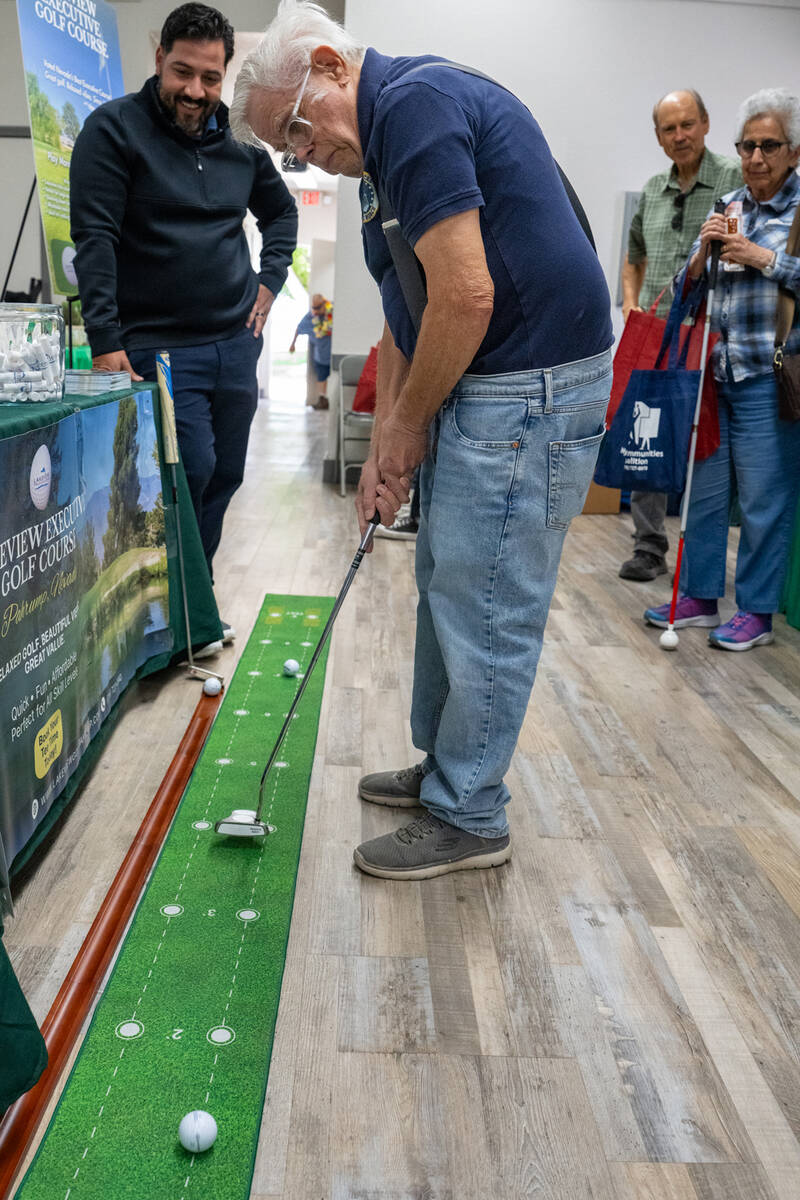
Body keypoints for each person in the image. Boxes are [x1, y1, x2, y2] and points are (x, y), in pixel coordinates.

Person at [231, 0, 613, 880]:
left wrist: (405, 432)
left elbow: (468, 296)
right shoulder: (375, 162)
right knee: (449, 573)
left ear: (330, 66)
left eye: (295, 131)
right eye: (288, 154)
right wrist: (387, 445)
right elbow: (412, 312)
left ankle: (471, 814)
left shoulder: (413, 106)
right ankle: (448, 769)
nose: (302, 157)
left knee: (484, 597)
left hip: (533, 380)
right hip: (490, 371)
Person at [70, 3, 297, 608]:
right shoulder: (113, 131)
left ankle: (194, 591)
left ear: (226, 74)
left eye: (211, 77)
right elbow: (94, 239)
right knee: (187, 473)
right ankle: (185, 608)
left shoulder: (243, 141)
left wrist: (271, 279)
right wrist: (105, 340)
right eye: (182, 72)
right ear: (158, 61)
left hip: (233, 343)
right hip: (157, 345)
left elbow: (281, 212)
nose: (195, 91)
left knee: (225, 475)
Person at [644, 88, 800, 651]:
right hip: (715, 375)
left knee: (763, 499)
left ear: (794, 152)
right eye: (748, 146)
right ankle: (699, 597)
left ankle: (756, 612)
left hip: (768, 377)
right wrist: (701, 253)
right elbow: (689, 289)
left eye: (769, 145)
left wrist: (764, 258)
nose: (756, 157)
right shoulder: (729, 203)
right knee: (704, 495)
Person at [619, 90, 741, 582]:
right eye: (669, 129)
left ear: (707, 124)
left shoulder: (735, 178)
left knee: (705, 444)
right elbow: (633, 255)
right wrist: (630, 305)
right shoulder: (651, 189)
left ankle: (703, 554)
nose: (680, 136)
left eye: (687, 124)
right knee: (646, 439)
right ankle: (648, 546)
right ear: (658, 137)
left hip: (712, 332)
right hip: (657, 336)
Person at [290, 292, 333, 408]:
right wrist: (293, 344)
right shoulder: (312, 315)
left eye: (317, 308)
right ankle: (322, 400)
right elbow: (299, 328)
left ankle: (327, 400)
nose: (315, 311)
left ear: (324, 304)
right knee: (321, 378)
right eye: (313, 308)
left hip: (332, 353)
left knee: (331, 377)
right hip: (320, 353)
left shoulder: (332, 310)